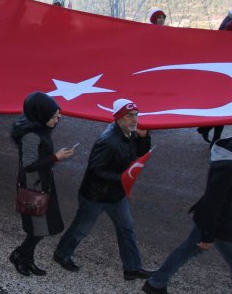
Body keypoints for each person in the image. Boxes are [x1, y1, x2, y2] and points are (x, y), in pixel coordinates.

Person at [142, 115, 232, 294]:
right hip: (222, 223)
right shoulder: (230, 167)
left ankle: (155, 283)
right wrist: (208, 235)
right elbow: (214, 201)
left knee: (187, 250)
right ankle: (155, 283)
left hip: (213, 218)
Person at [54, 98, 152, 280]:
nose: (134, 119)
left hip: (115, 195)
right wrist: (122, 179)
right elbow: (95, 170)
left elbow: (140, 152)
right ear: (118, 117)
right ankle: (61, 254)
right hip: (95, 196)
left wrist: (145, 136)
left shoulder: (129, 133)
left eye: (136, 115)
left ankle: (132, 268)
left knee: (127, 229)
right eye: (130, 115)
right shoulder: (108, 141)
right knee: (81, 229)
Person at [9, 92, 75, 276]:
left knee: (39, 227)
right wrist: (56, 157)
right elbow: (29, 165)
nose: (58, 118)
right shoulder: (31, 135)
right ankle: (19, 255)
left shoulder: (38, 128)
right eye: (54, 116)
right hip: (34, 188)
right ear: (40, 115)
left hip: (41, 184)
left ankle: (27, 260)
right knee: (39, 229)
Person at [198, 0, 232, 143]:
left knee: (223, 107)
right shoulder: (231, 23)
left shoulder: (231, 20)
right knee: (223, 107)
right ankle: (212, 135)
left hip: (225, 74)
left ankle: (207, 130)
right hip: (225, 76)